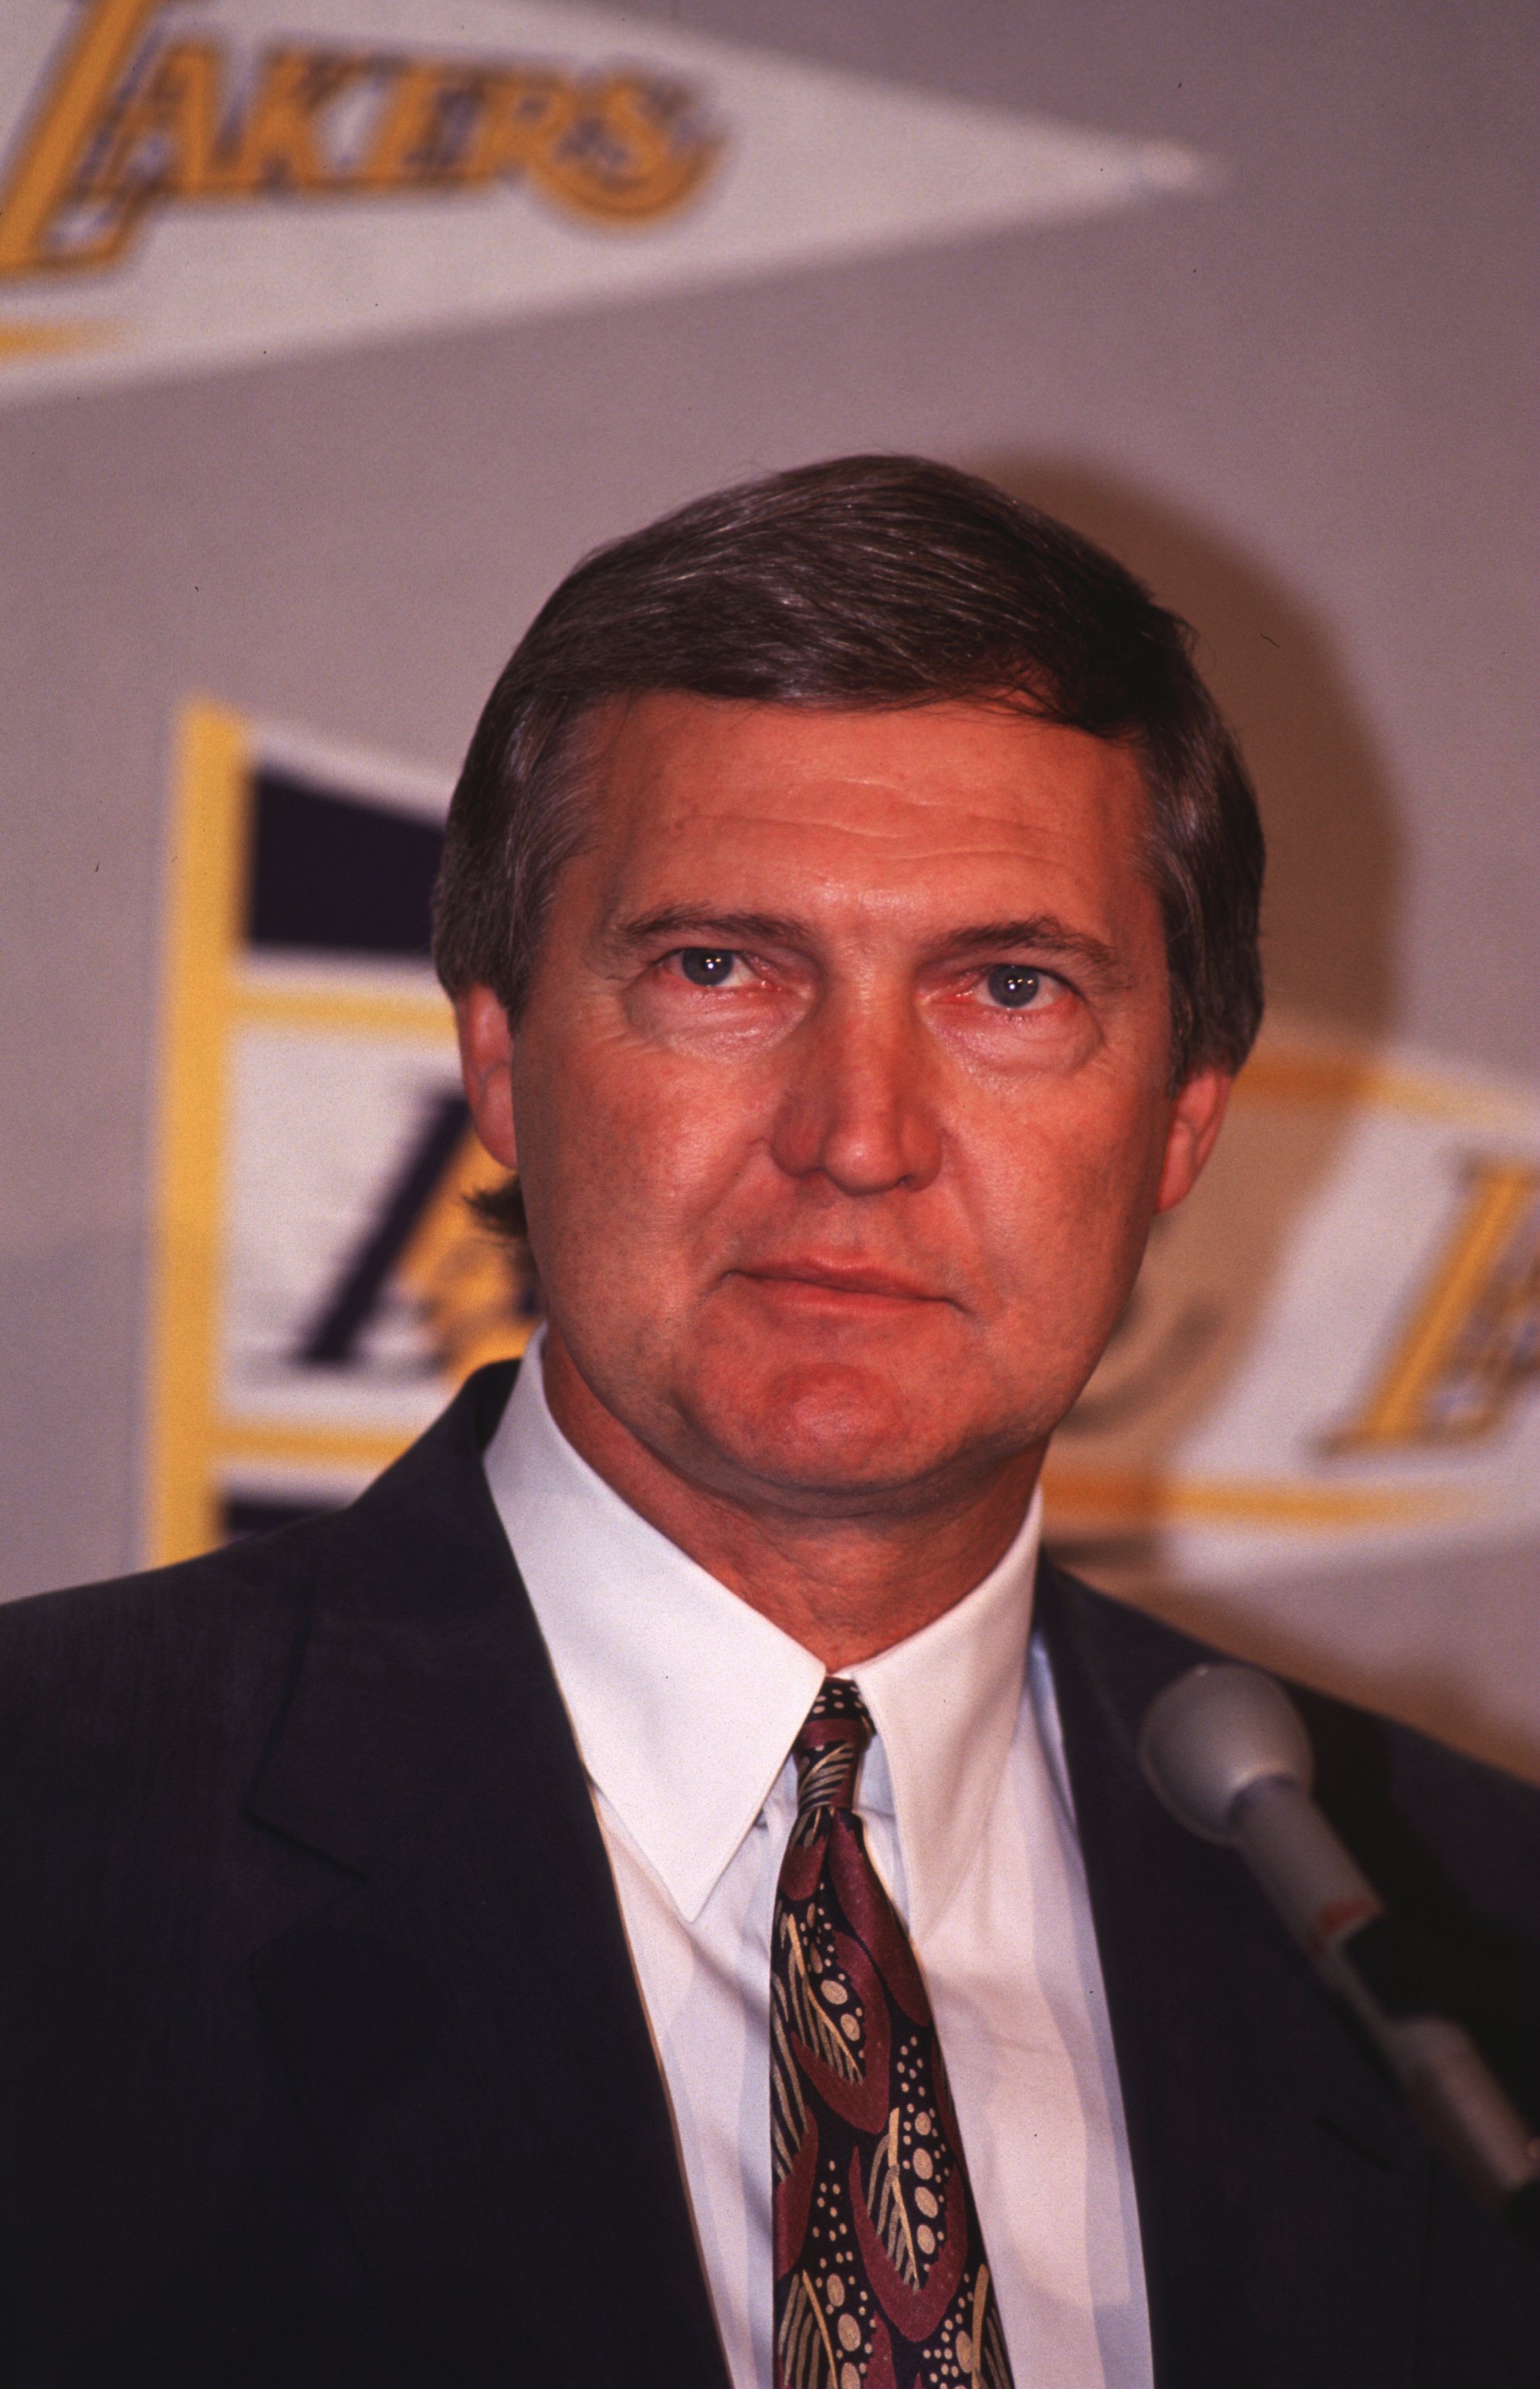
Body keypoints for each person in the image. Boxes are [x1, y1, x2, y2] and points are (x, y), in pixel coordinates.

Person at [1, 457, 1535, 2389]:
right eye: (721, 968)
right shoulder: (50, 1835)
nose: (858, 1135)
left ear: (1175, 1125)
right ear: (499, 1055)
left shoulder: (1469, 1946)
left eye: (1006, 986)